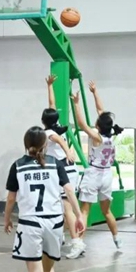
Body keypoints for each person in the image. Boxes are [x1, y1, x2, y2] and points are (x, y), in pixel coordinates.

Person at [4, 126, 85, 272]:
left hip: (30, 223)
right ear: (45, 144)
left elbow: (11, 198)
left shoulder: (18, 166)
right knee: (48, 270)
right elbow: (69, 190)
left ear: (26, 144)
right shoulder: (56, 164)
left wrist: (7, 219)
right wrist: (79, 215)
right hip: (54, 222)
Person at [72, 82, 122, 250]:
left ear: (99, 126)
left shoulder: (97, 137)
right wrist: (95, 92)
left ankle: (79, 244)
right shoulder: (111, 135)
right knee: (107, 211)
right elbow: (101, 111)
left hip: (94, 174)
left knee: (85, 211)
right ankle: (117, 238)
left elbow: (82, 124)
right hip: (107, 175)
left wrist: (76, 104)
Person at [42, 75, 85, 259]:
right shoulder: (56, 124)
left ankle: (77, 243)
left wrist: (68, 151)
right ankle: (60, 237)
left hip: (64, 170)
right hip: (67, 169)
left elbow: (59, 140)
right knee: (60, 207)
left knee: (67, 208)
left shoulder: (49, 133)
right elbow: (52, 104)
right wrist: (49, 86)